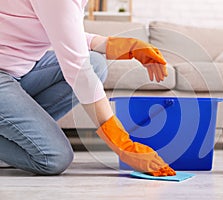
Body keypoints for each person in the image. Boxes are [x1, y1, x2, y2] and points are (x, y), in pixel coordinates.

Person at [0, 0, 175, 176]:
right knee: (54, 157)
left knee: (96, 63)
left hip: (18, 71)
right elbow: (78, 72)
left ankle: (15, 134)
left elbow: (63, 30)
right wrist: (123, 145)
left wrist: (121, 46)